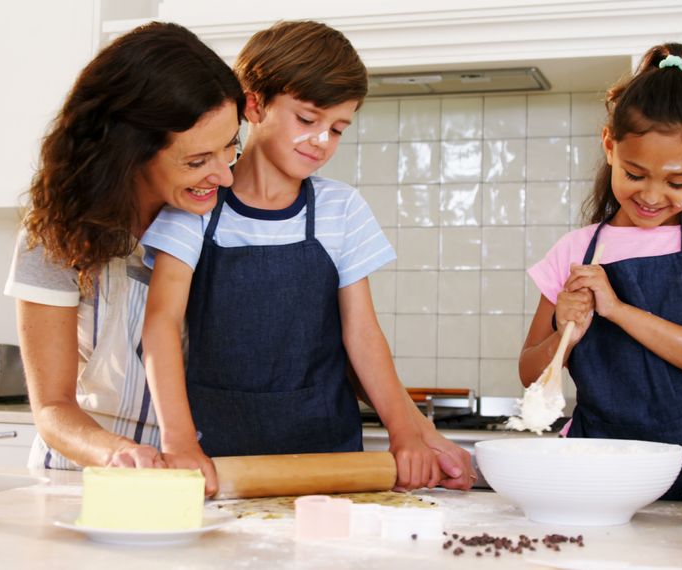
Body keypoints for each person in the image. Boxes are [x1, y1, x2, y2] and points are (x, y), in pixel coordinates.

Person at [139, 20, 475, 495]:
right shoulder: (198, 204)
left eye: (337, 129)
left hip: (327, 459)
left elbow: (362, 335)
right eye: (307, 119)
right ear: (254, 103)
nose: (322, 141)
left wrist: (406, 431)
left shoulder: (342, 209)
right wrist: (178, 441)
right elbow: (161, 324)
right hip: (218, 458)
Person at [518, 43, 682, 500]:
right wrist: (565, 334)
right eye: (635, 174)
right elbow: (531, 373)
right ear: (610, 145)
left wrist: (616, 310)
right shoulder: (573, 252)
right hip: (603, 468)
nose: (653, 195)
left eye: (676, 182)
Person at [3, 22, 246, 470]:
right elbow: (53, 407)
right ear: (129, 151)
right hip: (84, 478)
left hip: (200, 473)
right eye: (197, 161)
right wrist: (117, 453)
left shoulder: (227, 218)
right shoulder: (55, 235)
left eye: (231, 147)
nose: (225, 175)